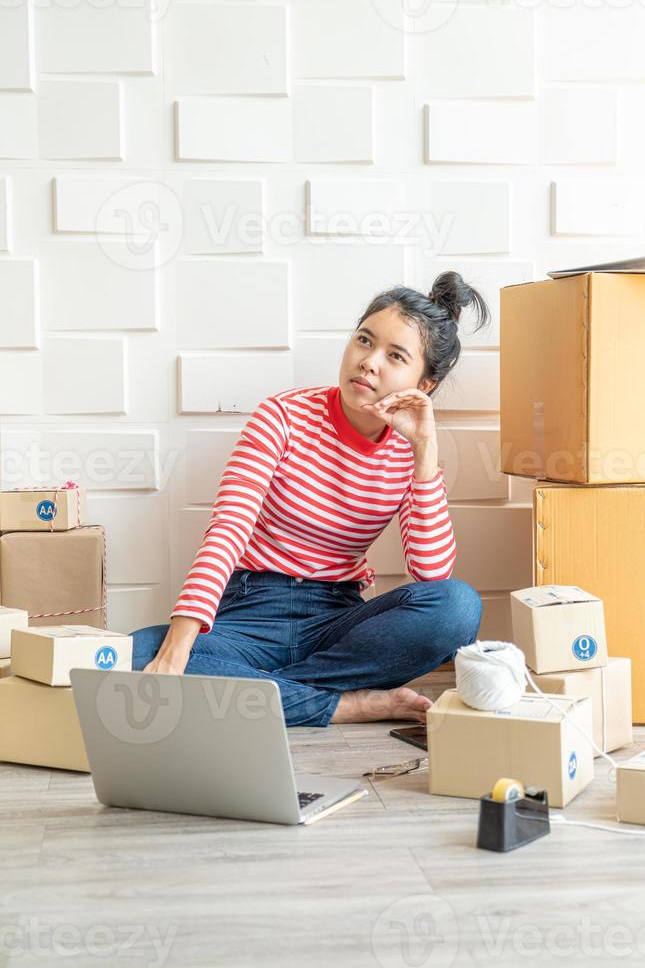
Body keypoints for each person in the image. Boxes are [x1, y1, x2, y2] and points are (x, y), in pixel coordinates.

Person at [131, 271, 490, 726]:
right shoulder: (281, 415)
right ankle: (343, 704)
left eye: (395, 355)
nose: (369, 361)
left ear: (425, 385)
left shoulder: (410, 449)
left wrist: (425, 450)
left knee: (457, 606)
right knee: (131, 655)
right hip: (249, 611)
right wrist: (177, 649)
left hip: (335, 621)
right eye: (364, 340)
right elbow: (229, 530)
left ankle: (254, 690)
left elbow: (431, 575)